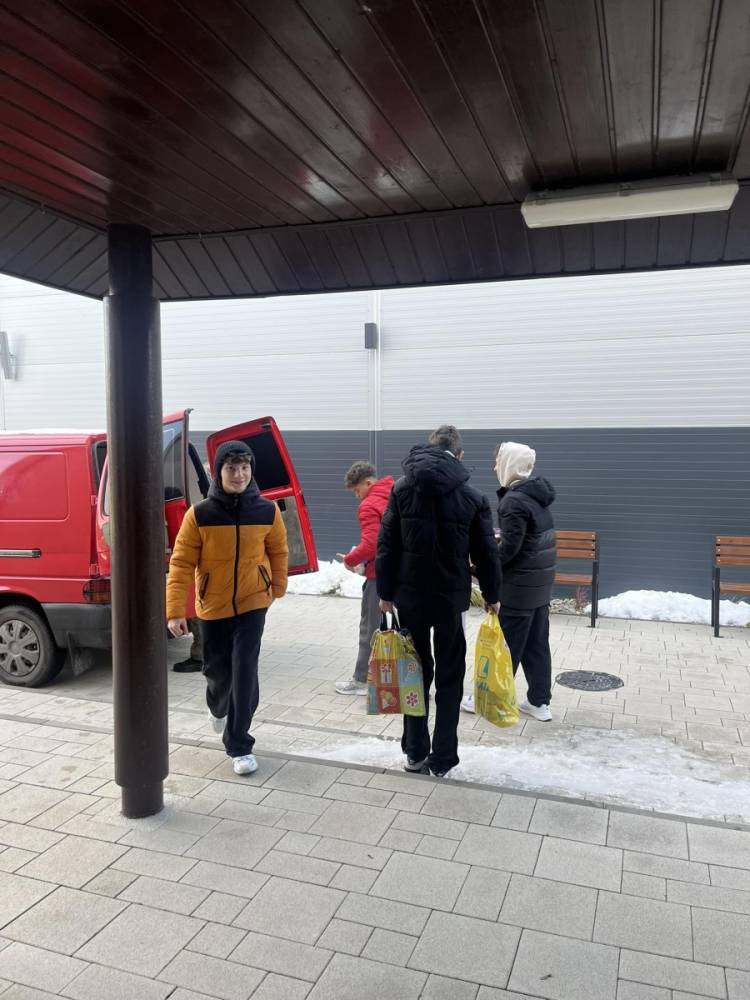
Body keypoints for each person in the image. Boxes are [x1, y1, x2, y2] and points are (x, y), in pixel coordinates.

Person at [376, 425, 500, 777]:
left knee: (414, 673)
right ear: (459, 455)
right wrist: (493, 595)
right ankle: (443, 757)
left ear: (429, 449)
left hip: (410, 598)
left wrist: (385, 593)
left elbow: (387, 544)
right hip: (450, 599)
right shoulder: (472, 496)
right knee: (449, 675)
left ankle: (415, 752)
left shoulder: (401, 489)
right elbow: (487, 553)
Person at [166, 440, 288, 775]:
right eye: (231, 468)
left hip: (254, 603)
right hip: (213, 607)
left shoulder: (267, 511)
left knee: (245, 672)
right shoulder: (200, 514)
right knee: (218, 673)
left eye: (245, 468)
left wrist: (277, 586)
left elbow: (278, 550)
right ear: (219, 472)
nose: (239, 475)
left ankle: (239, 744)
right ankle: (217, 706)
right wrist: (175, 610)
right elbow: (181, 564)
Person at [461, 441, 556, 721]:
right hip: (539, 587)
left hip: (519, 589)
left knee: (506, 646)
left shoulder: (514, 501)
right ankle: (539, 702)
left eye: (498, 461)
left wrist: (479, 569)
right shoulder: (536, 496)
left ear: (509, 464)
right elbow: (528, 541)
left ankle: (488, 699)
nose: (494, 467)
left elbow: (509, 550)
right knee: (536, 646)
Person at [335, 461, 395, 695]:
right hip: (402, 573)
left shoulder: (369, 505)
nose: (357, 496)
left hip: (378, 576)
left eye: (357, 490)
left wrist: (350, 559)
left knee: (370, 628)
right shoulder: (396, 495)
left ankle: (361, 680)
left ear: (369, 483)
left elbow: (371, 545)